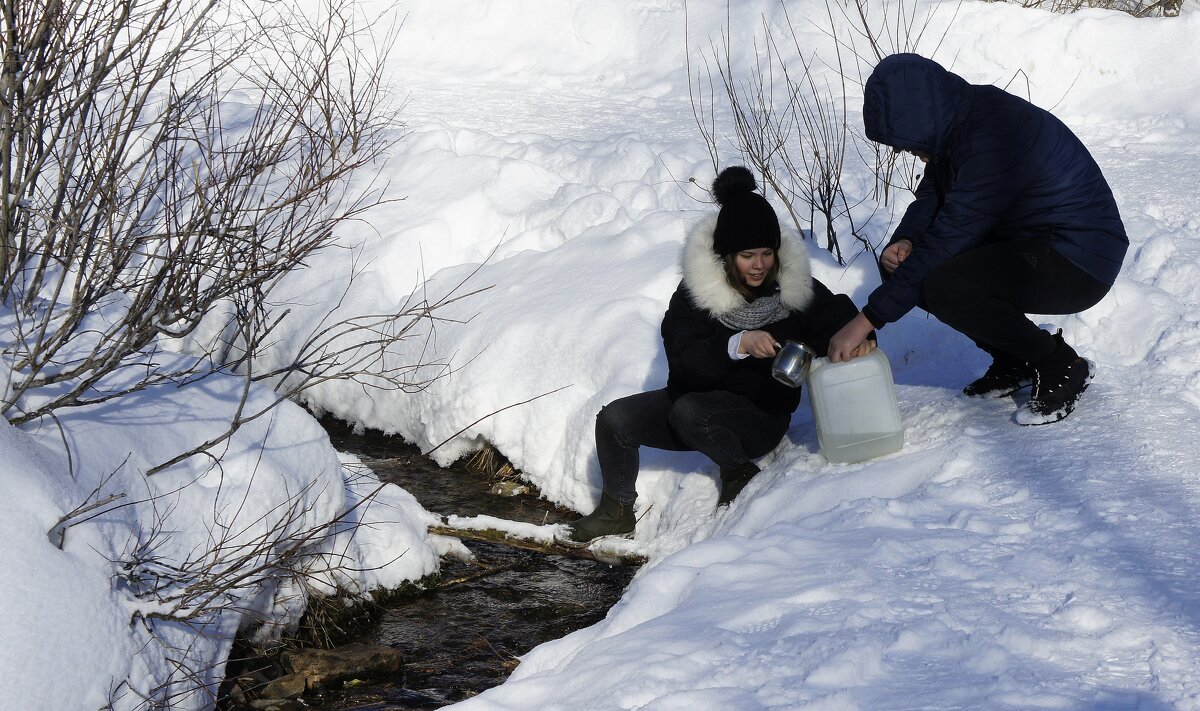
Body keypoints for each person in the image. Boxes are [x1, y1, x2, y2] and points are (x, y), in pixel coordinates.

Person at [562, 166, 869, 546]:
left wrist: (858, 337)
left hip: (761, 418)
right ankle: (616, 512)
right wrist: (737, 344)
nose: (759, 265)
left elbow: (834, 317)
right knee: (615, 419)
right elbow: (685, 363)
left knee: (689, 411)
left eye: (766, 253)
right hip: (694, 405)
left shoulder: (792, 289)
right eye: (747, 255)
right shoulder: (694, 296)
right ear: (725, 256)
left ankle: (738, 473)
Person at [828, 53, 1128, 426]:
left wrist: (866, 321)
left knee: (941, 282)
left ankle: (1059, 363)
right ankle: (1013, 358)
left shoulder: (994, 137)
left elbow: (949, 237)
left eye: (903, 141)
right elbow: (935, 195)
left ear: (923, 117)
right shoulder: (962, 121)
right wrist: (904, 239)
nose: (900, 151)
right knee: (909, 264)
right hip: (1035, 241)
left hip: (1079, 258)